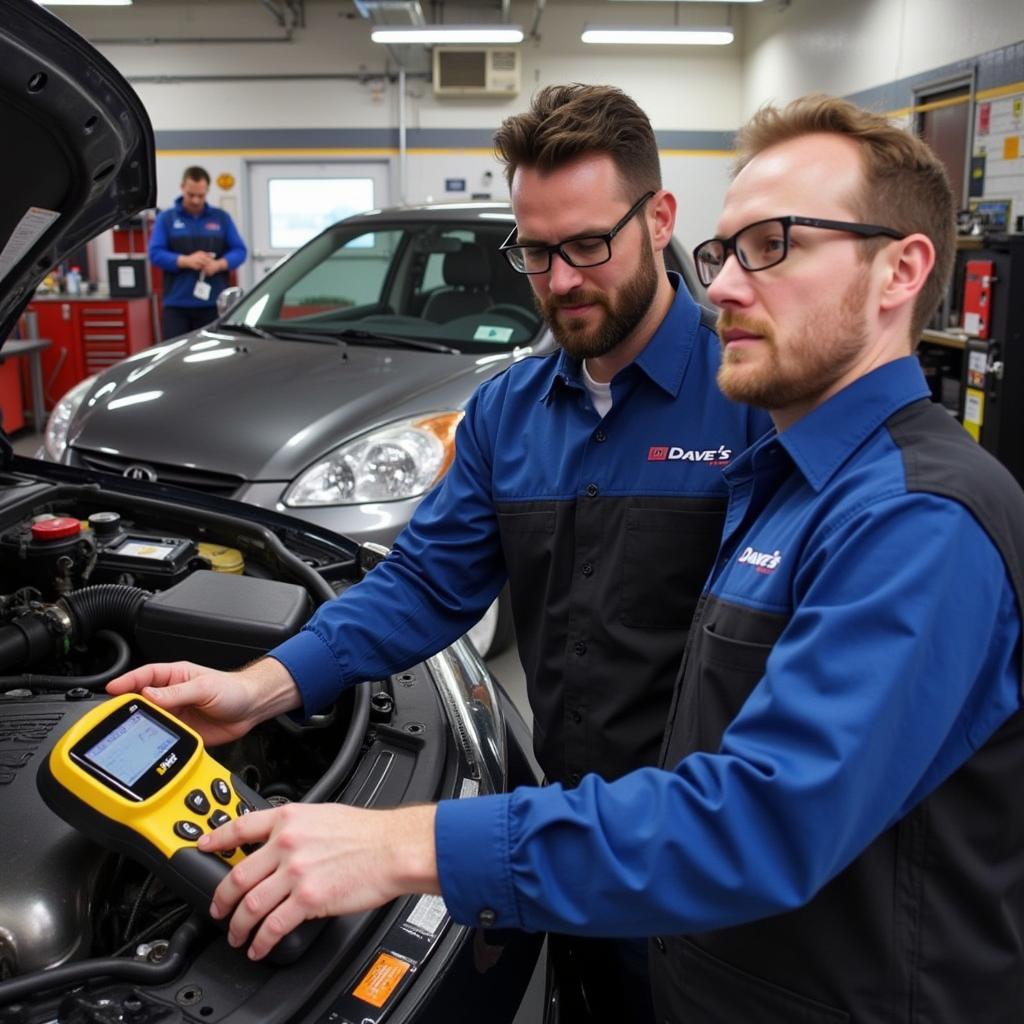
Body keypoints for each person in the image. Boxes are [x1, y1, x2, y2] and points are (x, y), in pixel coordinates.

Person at [114, 93, 1024, 1021]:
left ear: (656, 221)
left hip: (741, 914)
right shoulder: (524, 413)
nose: (559, 279)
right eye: (534, 252)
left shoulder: (790, 426)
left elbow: (768, 816)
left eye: (774, 246)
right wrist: (266, 684)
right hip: (590, 865)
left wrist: (403, 844)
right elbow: (428, 580)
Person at [148, 165, 247, 339]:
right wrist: (185, 261)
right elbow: (155, 253)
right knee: (175, 357)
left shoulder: (221, 218)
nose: (195, 200)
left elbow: (240, 250)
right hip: (177, 305)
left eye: (200, 196)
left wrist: (219, 265)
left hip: (213, 304)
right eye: (190, 194)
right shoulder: (167, 219)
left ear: (207, 190)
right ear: (182, 188)